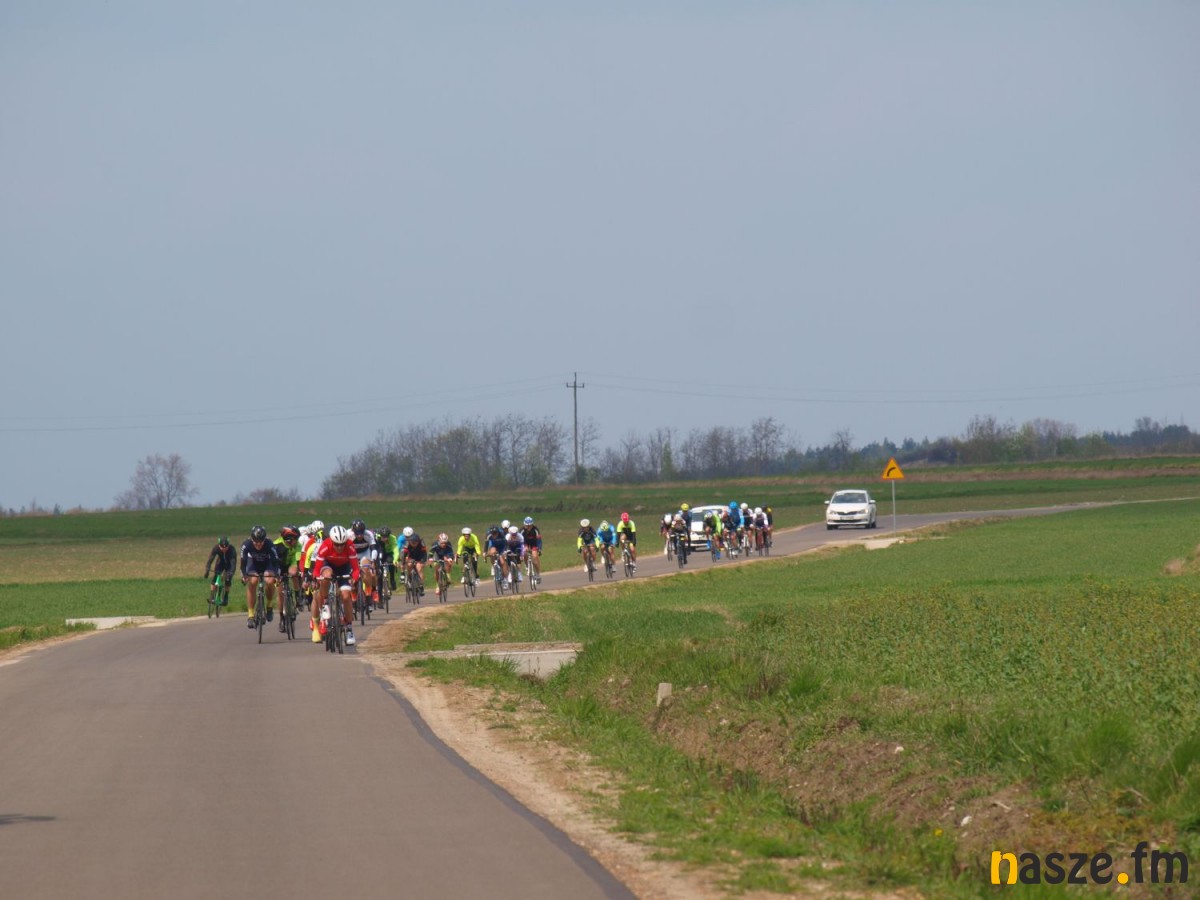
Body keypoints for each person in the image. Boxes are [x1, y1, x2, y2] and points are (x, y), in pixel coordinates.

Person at [309, 525, 361, 645]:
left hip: (344, 567)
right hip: (328, 565)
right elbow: (317, 569)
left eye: (342, 544)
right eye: (337, 544)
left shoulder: (350, 546)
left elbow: (355, 569)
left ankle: (349, 629)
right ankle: (325, 603)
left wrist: (354, 579)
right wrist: (316, 578)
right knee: (326, 575)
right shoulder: (325, 546)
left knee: (346, 596)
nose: (339, 547)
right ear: (332, 541)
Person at [240, 525, 281, 628]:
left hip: (267, 564)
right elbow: (243, 562)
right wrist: (244, 575)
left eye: (261, 542)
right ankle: (250, 615)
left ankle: (269, 605)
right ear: (252, 539)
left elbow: (275, 561)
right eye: (256, 542)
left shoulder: (269, 544)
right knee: (253, 581)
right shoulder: (246, 544)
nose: (258, 544)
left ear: (264, 539)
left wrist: (277, 575)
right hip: (253, 564)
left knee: (270, 581)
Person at [272, 525, 303, 630]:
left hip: (291, 564)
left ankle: (297, 595)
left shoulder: (297, 545)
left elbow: (298, 561)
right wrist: (277, 575)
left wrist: (300, 571)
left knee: (293, 573)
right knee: (280, 593)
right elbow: (274, 562)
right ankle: (282, 618)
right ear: (288, 539)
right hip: (279, 567)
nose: (297, 541)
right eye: (295, 538)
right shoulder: (276, 545)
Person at [349, 519, 378, 605]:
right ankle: (353, 596)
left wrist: (373, 561)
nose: (359, 536)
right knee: (351, 577)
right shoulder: (348, 535)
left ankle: (369, 595)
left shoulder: (368, 534)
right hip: (352, 554)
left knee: (366, 570)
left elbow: (373, 549)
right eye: (357, 533)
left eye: (361, 533)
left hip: (365, 553)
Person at [203, 536, 236, 607]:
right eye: (222, 548)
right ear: (219, 545)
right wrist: (207, 570)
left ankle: (226, 597)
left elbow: (233, 564)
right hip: (220, 563)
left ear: (228, 546)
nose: (224, 549)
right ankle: (212, 596)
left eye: (226, 548)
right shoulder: (216, 548)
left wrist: (231, 573)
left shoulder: (232, 550)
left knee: (228, 579)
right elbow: (210, 559)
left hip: (229, 565)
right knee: (215, 577)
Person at [401, 527, 428, 596]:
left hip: (419, 557)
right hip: (410, 557)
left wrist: (423, 561)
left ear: (418, 542)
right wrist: (403, 563)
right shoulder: (407, 544)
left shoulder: (421, 543)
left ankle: (421, 586)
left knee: (419, 568)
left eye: (416, 543)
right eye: (412, 543)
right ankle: (409, 577)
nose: (414, 544)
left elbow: (425, 554)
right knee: (409, 565)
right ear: (410, 542)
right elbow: (404, 555)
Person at [519, 516, 542, 584]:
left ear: (532, 525)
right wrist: (522, 549)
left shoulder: (535, 530)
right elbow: (520, 541)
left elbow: (539, 540)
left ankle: (538, 574)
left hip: (534, 544)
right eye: (527, 526)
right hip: (525, 543)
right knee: (525, 553)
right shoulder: (522, 530)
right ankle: (527, 566)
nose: (528, 527)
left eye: (530, 526)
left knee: (535, 556)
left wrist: (539, 548)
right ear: (524, 525)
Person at [376, 526, 400, 592]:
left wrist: (395, 560)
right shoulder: (377, 537)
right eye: (383, 536)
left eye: (386, 536)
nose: (385, 538)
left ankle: (392, 579)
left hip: (389, 553)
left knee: (391, 563)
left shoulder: (392, 538)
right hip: (380, 552)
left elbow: (395, 549)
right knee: (379, 567)